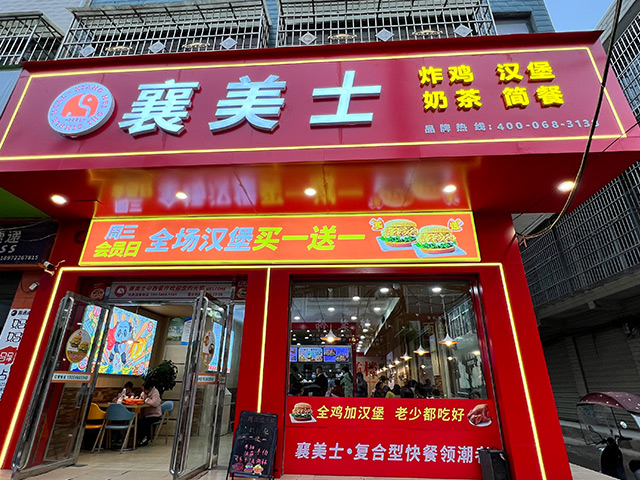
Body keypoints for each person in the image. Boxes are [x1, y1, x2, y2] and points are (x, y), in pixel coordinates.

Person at [137, 381, 162, 447]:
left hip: (154, 415)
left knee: (144, 422)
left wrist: (146, 400)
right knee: (138, 421)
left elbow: (155, 403)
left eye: (145, 390)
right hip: (145, 414)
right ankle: (138, 439)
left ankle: (145, 439)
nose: (144, 391)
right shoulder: (144, 393)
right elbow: (141, 399)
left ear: (150, 388)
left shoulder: (155, 392)